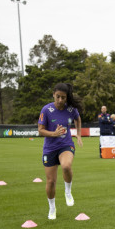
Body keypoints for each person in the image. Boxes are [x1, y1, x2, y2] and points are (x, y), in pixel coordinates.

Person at [38, 83, 83, 220]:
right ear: (53, 95)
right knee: (51, 181)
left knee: (66, 166)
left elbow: (78, 119)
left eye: (63, 97)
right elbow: (40, 130)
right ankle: (52, 208)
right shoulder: (46, 110)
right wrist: (54, 133)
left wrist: (79, 134)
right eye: (58, 97)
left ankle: (67, 191)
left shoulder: (71, 109)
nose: (60, 100)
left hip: (66, 144)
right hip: (50, 148)